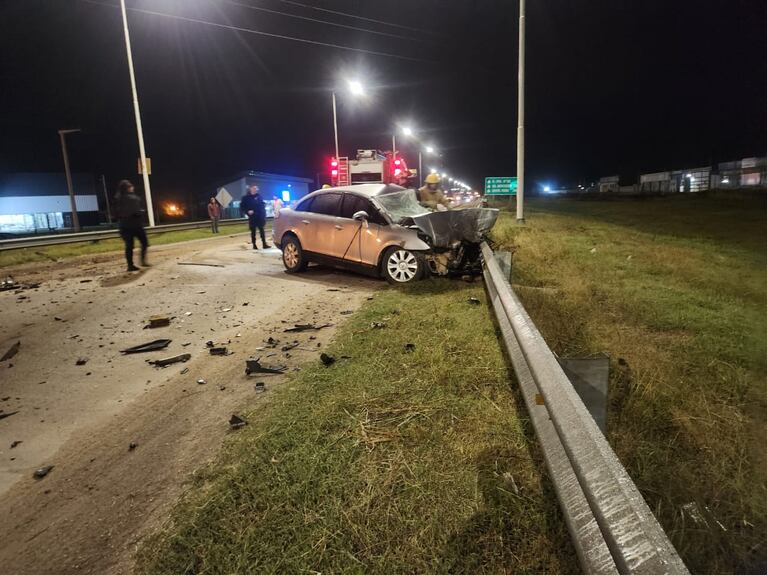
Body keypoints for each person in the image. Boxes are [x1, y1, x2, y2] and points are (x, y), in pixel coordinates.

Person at [114, 179, 148, 272]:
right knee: (144, 242)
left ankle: (130, 265)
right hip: (135, 225)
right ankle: (143, 261)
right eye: (131, 186)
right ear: (128, 188)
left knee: (129, 246)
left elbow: (116, 213)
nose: (132, 187)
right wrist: (141, 212)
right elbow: (136, 212)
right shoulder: (134, 198)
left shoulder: (117, 198)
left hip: (123, 226)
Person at [240, 184, 269, 249]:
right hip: (252, 217)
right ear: (251, 189)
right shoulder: (246, 198)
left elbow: (262, 205)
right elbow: (242, 207)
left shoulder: (259, 196)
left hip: (260, 216)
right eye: (254, 188)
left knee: (262, 231)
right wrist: (247, 211)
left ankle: (264, 244)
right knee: (253, 232)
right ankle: (254, 245)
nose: (256, 190)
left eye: (257, 189)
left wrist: (264, 214)